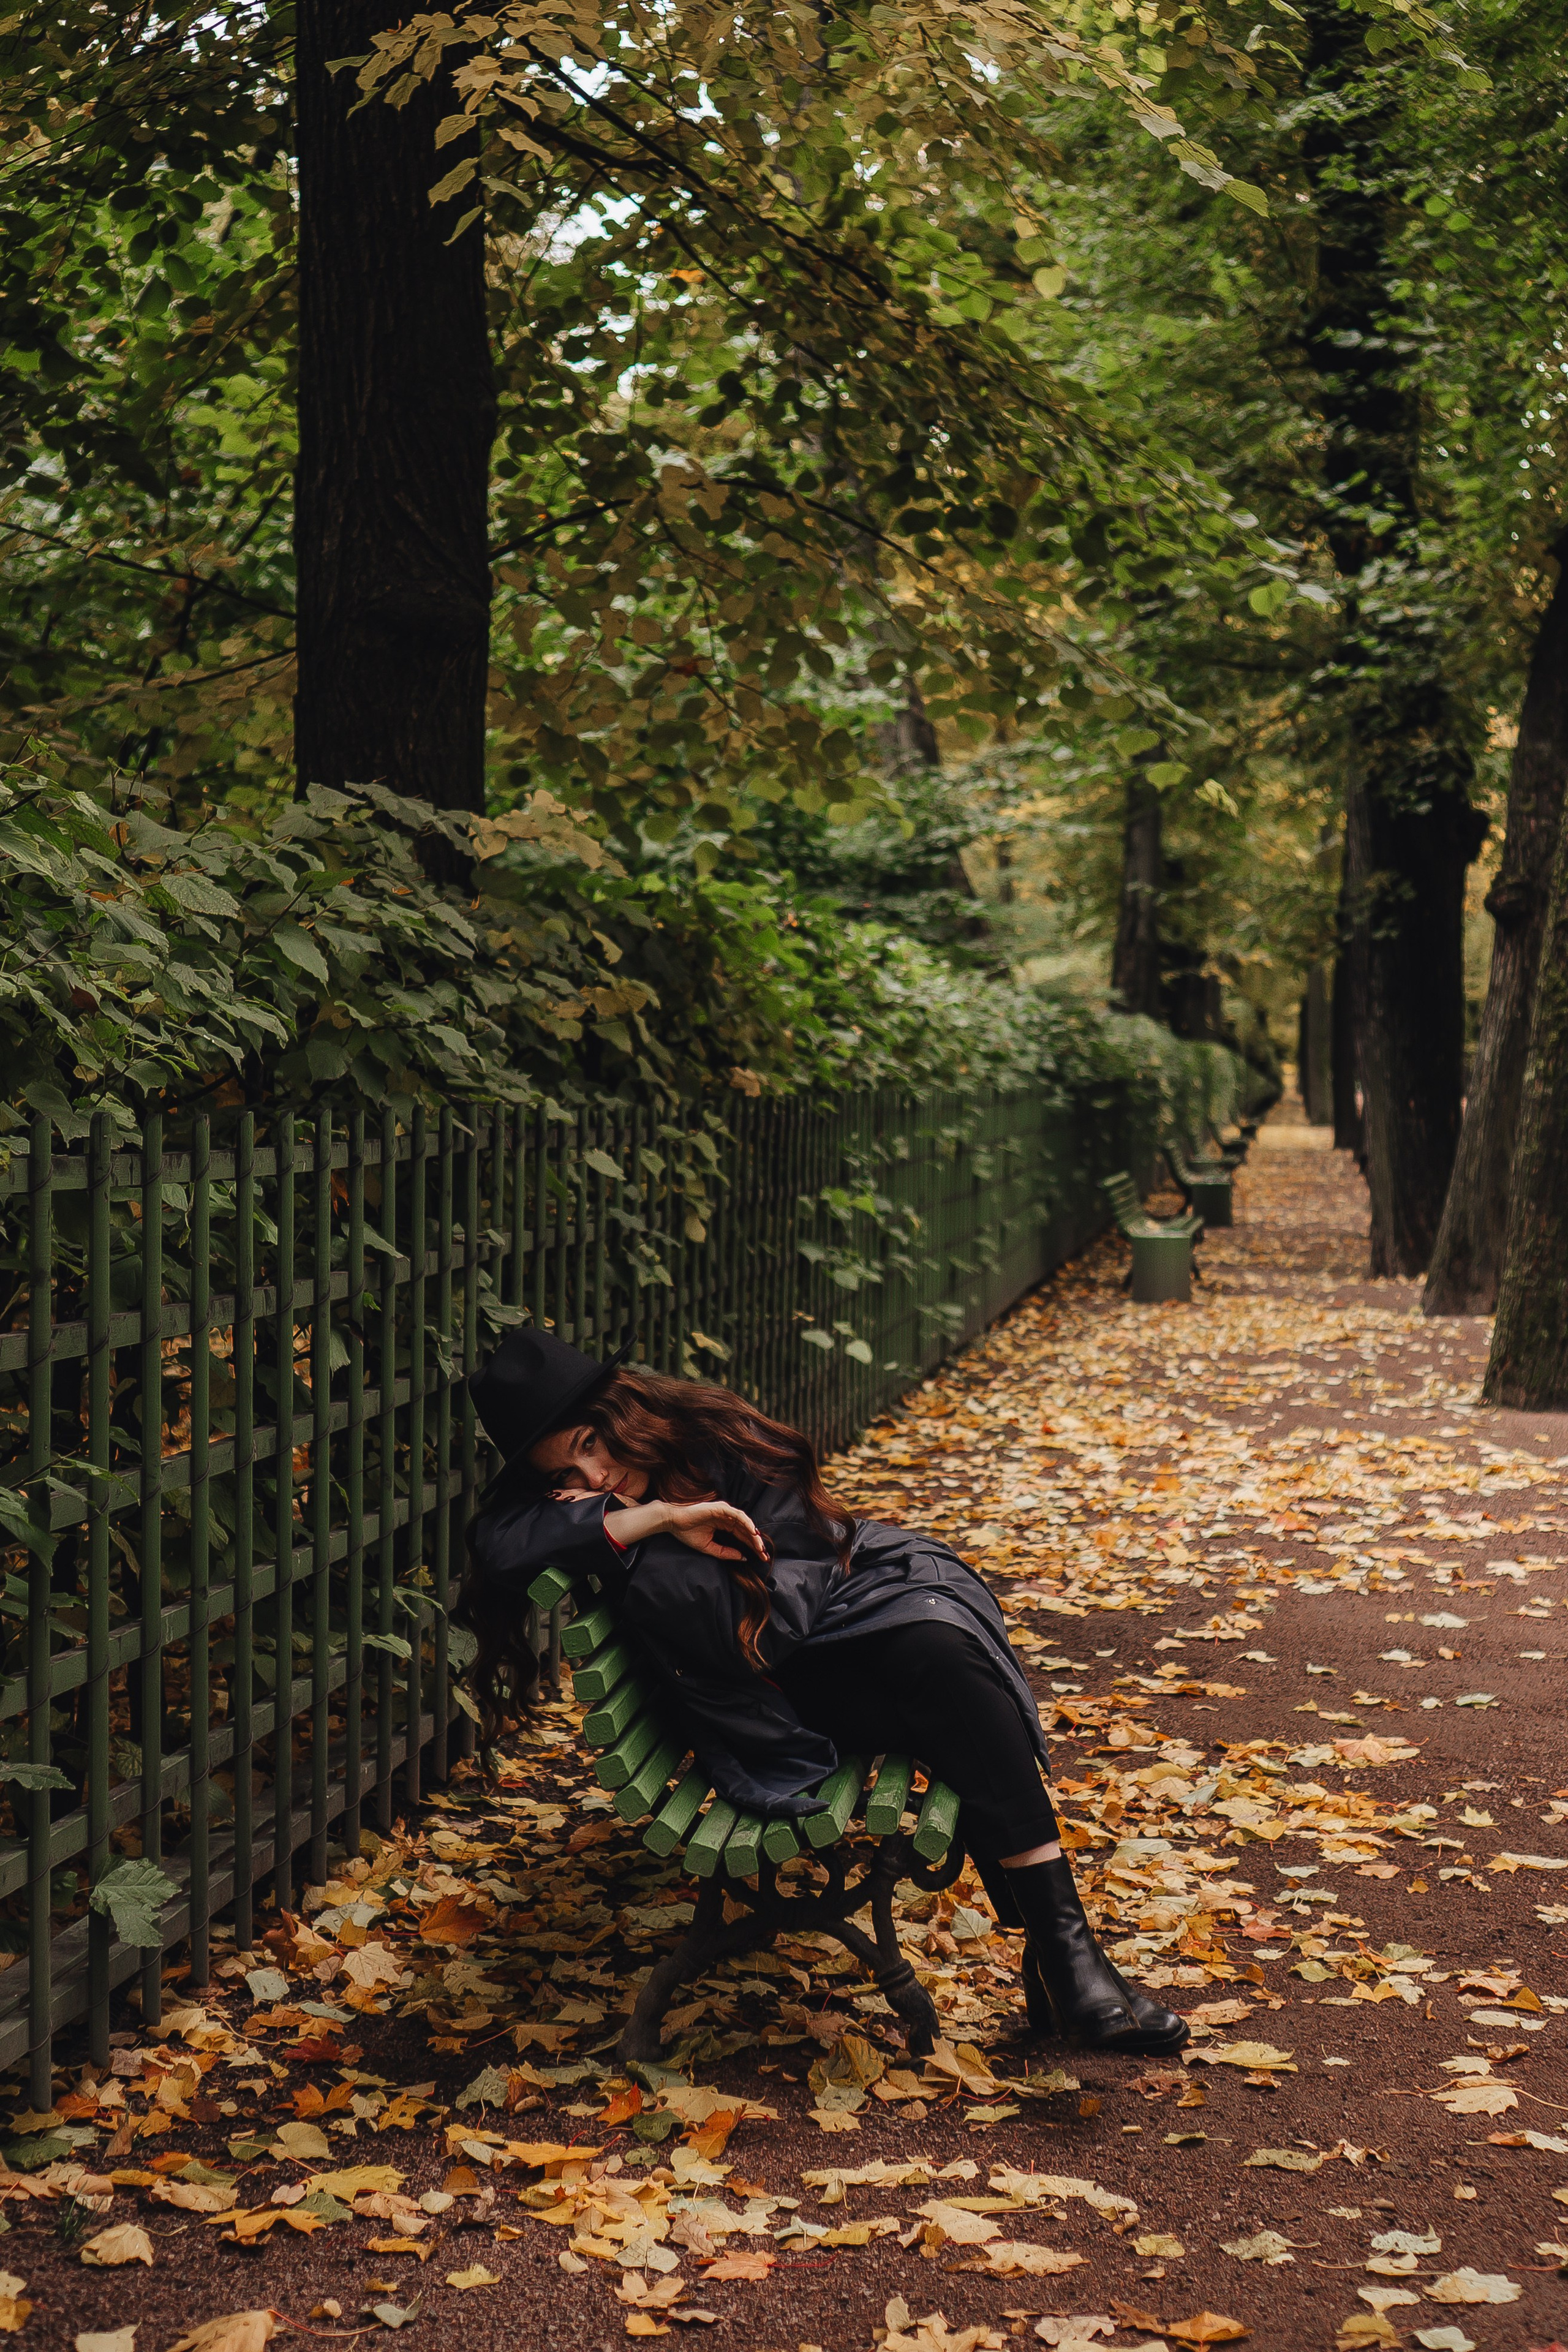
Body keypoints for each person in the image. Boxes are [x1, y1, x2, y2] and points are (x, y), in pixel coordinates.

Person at [456, 1326, 1187, 2057]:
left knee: (942, 1656)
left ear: (623, 1411)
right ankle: (1064, 1957)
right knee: (947, 1681)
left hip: (818, 1638)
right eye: (572, 1474)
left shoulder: (719, 1437)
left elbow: (791, 1594)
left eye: (593, 1442)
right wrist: (659, 1521)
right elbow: (499, 1544)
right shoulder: (617, 1513)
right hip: (776, 1702)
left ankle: (1061, 1951)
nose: (596, 1476)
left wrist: (649, 1533)